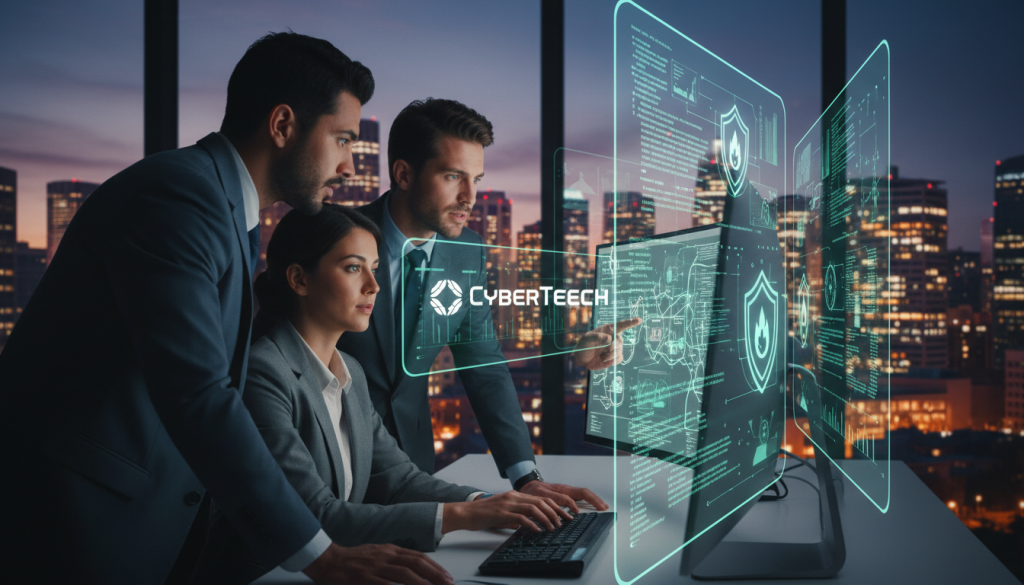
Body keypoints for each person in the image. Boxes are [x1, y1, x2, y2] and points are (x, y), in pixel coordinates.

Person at [0, 33, 450, 585]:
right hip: (75, 517)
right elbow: (197, 392)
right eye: (341, 139)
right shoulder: (181, 197)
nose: (346, 164)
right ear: (282, 125)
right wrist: (322, 555)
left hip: (136, 517)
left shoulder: (225, 209)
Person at [192, 204, 573, 584]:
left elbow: (398, 479)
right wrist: (464, 516)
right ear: (299, 279)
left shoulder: (350, 371)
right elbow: (315, 516)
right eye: (353, 268)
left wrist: (488, 503)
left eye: (375, 269)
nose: (374, 285)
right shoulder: (263, 375)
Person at [338, 98, 636, 511]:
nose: (469, 197)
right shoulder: (337, 238)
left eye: (476, 179)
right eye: (453, 176)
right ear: (403, 174)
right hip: (335, 465)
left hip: (416, 468)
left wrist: (526, 478)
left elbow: (483, 365)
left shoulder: (467, 250)